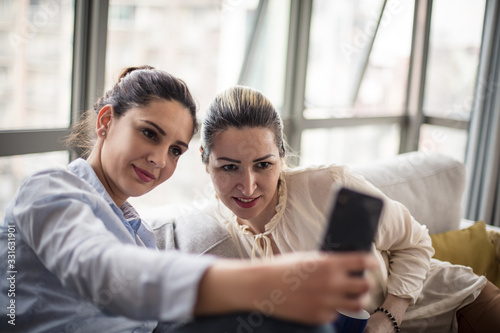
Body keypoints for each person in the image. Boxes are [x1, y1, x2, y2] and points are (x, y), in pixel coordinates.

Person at [0, 67, 377, 333]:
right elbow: (106, 269)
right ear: (105, 122)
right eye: (149, 133)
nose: (160, 159)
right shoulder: (48, 190)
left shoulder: (136, 230)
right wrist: (262, 284)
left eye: (175, 150)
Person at [196, 85, 500, 333]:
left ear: (282, 155)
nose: (248, 187)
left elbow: (415, 242)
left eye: (263, 165)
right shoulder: (218, 228)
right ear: (205, 160)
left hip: (456, 307)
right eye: (229, 168)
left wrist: (387, 317)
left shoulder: (329, 188)